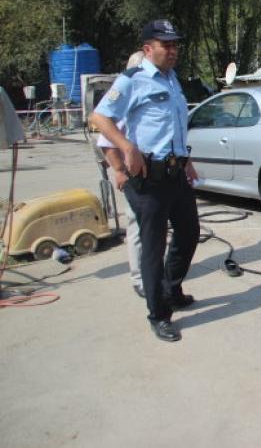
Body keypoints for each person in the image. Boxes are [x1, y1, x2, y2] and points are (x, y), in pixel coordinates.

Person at [89, 20, 200, 343]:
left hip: (175, 172)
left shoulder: (173, 80)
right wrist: (126, 149)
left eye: (175, 45)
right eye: (166, 45)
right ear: (147, 49)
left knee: (189, 232)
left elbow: (173, 128)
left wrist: (187, 162)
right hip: (148, 177)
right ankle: (159, 314)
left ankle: (171, 288)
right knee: (153, 247)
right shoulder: (134, 80)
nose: (173, 51)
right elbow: (100, 117)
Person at [96, 52, 145, 298]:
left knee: (153, 227)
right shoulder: (123, 101)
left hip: (153, 174)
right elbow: (105, 140)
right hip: (133, 174)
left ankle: (153, 271)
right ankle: (140, 278)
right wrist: (118, 170)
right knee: (137, 225)